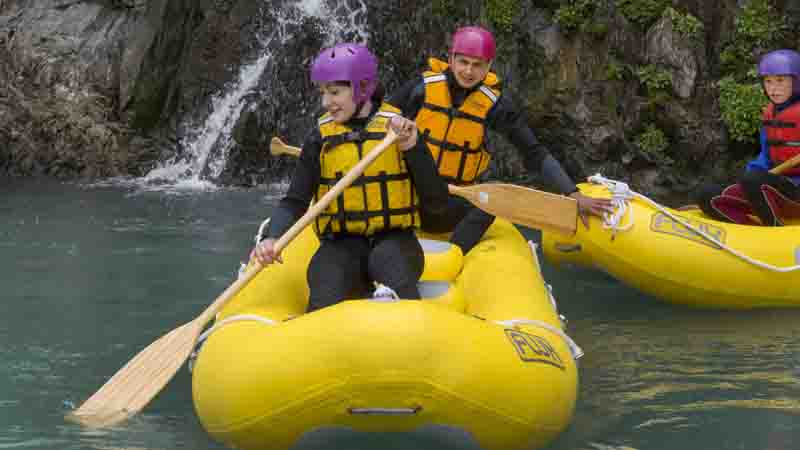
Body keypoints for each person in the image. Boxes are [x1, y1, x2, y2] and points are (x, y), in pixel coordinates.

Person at [252, 43, 449, 311]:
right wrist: (272, 237)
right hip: (343, 243)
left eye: (334, 92)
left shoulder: (400, 131)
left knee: (390, 264)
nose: (326, 103)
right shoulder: (319, 138)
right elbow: (294, 201)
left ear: (363, 88)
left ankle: (396, 315)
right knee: (325, 285)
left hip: (395, 240)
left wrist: (412, 148)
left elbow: (437, 201)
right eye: (323, 93)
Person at [388, 25, 612, 253]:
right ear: (451, 58)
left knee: (490, 202)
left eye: (477, 65)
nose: (468, 71)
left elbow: (534, 152)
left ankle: (452, 255)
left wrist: (572, 193)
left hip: (449, 204)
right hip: (407, 198)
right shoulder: (422, 89)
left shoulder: (495, 106)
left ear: (489, 66)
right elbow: (380, 118)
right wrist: (393, 123)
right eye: (463, 62)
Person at [695, 49, 800, 226]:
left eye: (781, 80)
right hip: (773, 187)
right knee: (707, 194)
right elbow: (765, 157)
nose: (773, 88)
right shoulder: (770, 114)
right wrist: (750, 175)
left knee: (752, 180)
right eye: (768, 81)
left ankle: (775, 231)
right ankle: (751, 234)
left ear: (796, 81)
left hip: (795, 192)